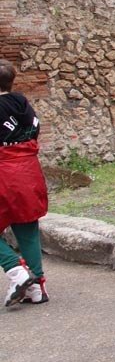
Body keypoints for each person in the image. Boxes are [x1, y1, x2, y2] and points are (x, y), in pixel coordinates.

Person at [0, 59, 48, 306]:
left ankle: (16, 271)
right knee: (27, 229)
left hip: (3, 172)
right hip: (29, 171)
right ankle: (36, 288)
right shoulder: (23, 104)